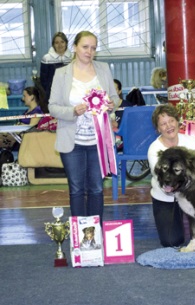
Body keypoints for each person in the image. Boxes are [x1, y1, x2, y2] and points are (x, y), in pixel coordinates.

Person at [48, 31, 119, 223]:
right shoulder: (61, 74)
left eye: (93, 48)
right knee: (77, 189)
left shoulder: (103, 69)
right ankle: (80, 235)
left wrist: (113, 104)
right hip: (72, 142)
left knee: (96, 188)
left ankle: (95, 234)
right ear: (75, 48)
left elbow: (115, 97)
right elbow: (52, 106)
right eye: (85, 47)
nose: (90, 51)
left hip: (99, 140)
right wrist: (72, 111)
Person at [147, 104, 195, 247]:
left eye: (171, 121)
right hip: (166, 198)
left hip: (193, 198)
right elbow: (164, 181)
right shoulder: (154, 149)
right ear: (158, 129)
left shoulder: (192, 143)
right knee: (171, 242)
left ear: (177, 121)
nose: (169, 126)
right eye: (163, 124)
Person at [40, 32, 72, 101]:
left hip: (69, 92)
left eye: (62, 42)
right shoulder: (47, 58)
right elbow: (43, 80)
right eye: (57, 43)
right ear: (53, 45)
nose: (60, 45)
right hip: (52, 93)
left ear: (66, 43)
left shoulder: (72, 58)